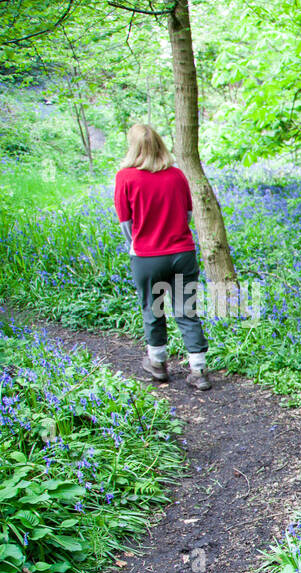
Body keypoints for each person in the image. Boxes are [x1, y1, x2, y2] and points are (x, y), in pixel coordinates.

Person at [113, 123, 211, 390]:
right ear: (159, 144)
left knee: (152, 308)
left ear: (132, 147)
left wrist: (141, 244)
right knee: (186, 310)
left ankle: (157, 364)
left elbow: (126, 223)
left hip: (147, 256)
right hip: (183, 253)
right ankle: (198, 371)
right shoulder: (177, 175)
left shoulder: (125, 177)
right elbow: (188, 215)